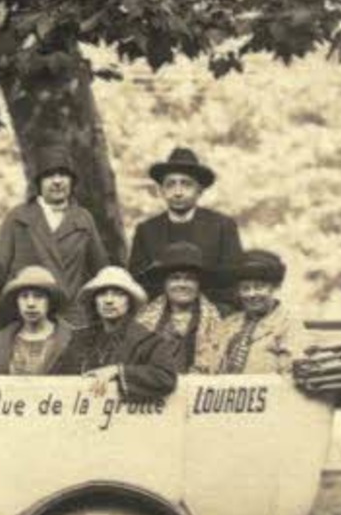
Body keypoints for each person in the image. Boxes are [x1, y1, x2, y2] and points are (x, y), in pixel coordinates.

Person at [128, 147, 244, 313]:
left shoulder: (222, 226)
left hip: (214, 312)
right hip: (160, 315)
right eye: (170, 185)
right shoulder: (146, 230)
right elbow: (138, 281)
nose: (178, 192)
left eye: (186, 184)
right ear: (161, 191)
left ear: (199, 191)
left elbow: (232, 279)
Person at [0, 154, 108, 307]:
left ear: (72, 181)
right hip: (28, 312)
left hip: (72, 315)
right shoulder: (18, 218)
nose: (57, 181)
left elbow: (101, 273)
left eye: (63, 174)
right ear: (38, 183)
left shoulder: (83, 219)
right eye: (49, 176)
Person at [53, 266, 179, 400]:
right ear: (94, 301)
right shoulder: (80, 339)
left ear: (129, 301)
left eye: (118, 294)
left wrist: (117, 371)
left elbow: (165, 378)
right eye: (102, 294)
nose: (109, 301)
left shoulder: (147, 341)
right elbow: (56, 379)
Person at [136, 244, 224, 374]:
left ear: (199, 284)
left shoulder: (221, 319)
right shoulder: (143, 321)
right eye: (175, 278)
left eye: (190, 279)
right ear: (164, 283)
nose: (182, 285)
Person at [212, 249, 300, 375]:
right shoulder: (229, 324)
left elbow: (291, 377)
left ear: (274, 287)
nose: (251, 294)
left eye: (259, 287)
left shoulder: (288, 325)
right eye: (245, 288)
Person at [0, 265, 75, 375]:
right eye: (24, 297)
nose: (30, 304)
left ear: (50, 301)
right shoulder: (2, 341)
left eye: (38, 296)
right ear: (17, 302)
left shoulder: (71, 339)